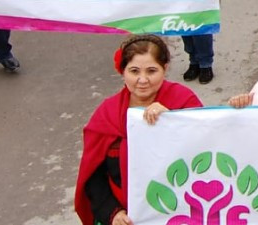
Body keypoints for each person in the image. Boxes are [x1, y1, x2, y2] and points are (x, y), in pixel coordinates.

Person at [74, 35, 202, 225]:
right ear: (122, 71)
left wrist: (174, 122)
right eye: (134, 71)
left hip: (179, 214)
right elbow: (93, 176)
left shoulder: (184, 102)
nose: (143, 80)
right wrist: (113, 213)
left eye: (152, 71)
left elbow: (204, 153)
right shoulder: (106, 115)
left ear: (164, 69)